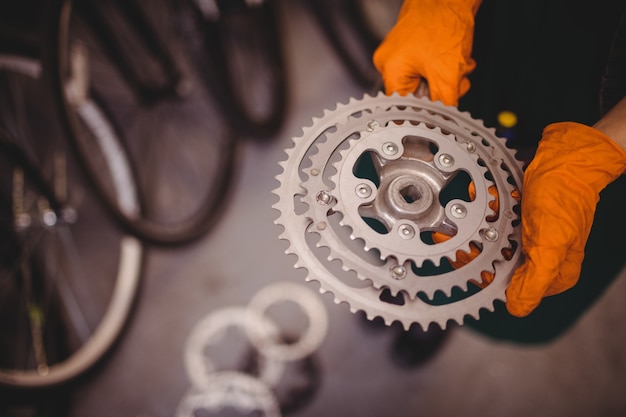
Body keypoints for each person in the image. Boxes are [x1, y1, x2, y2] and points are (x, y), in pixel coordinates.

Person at [372, 0, 626, 322]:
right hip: (506, 27)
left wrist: (603, 151)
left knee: (525, 254)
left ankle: (441, 316)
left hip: (605, 98)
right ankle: (398, 282)